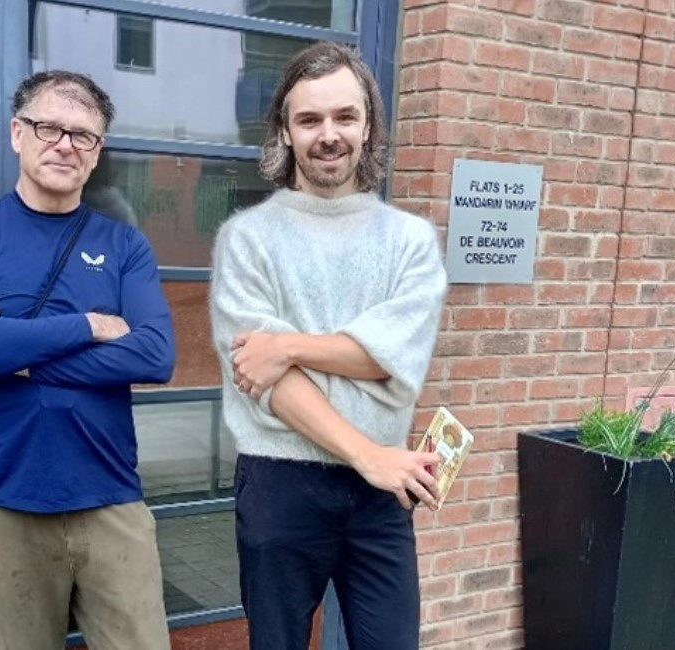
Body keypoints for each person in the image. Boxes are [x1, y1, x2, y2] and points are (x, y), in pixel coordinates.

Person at [209, 42, 448, 649]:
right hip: (281, 482)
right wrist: (367, 452)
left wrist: (286, 344)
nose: (328, 134)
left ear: (369, 126)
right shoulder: (247, 240)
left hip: (380, 492)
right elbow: (266, 381)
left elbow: (391, 355)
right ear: (284, 132)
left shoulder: (410, 242)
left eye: (345, 116)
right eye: (309, 119)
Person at [0, 70, 174, 650]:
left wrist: (14, 350)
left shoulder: (124, 246)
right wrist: (88, 326)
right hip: (4, 504)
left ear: (97, 153)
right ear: (17, 133)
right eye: (48, 127)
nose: (64, 143)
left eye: (82, 135)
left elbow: (155, 354)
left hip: (110, 498)